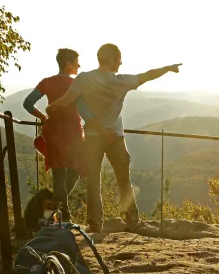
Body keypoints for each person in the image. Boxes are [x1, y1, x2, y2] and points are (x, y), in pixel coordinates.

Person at [46, 43, 182, 234]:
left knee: (93, 182)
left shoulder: (84, 78)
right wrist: (167, 69)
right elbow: (148, 75)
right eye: (119, 59)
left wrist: (51, 107)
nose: (121, 63)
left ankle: (95, 225)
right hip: (116, 137)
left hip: (93, 137)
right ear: (111, 61)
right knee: (123, 179)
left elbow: (68, 99)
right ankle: (132, 221)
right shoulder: (122, 81)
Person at [23, 48, 86, 221]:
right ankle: (61, 213)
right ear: (68, 65)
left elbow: (27, 103)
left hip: (54, 133)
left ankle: (58, 210)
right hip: (73, 133)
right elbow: (86, 108)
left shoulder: (47, 82)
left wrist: (42, 117)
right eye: (76, 63)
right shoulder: (78, 84)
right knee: (76, 170)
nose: (79, 66)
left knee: (59, 175)